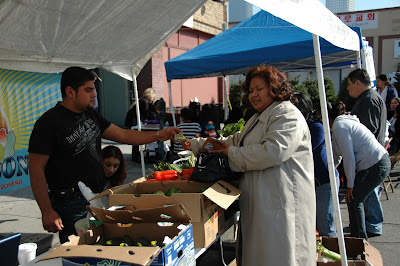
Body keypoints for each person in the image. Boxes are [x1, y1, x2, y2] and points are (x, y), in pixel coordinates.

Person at [28, 67, 180, 243]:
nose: (94, 94)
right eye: (88, 90)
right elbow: (35, 168)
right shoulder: (48, 123)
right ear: (70, 91)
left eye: (94, 89)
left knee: (102, 250)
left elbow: (123, 135)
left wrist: (159, 135)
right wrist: (46, 210)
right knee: (81, 256)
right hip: (70, 203)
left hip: (97, 196)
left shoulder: (90, 115)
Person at [183, 65, 315, 265]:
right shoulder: (257, 118)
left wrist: (230, 152)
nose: (253, 95)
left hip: (281, 204)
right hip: (261, 204)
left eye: (259, 89)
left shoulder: (287, 114)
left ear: (275, 88)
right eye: (251, 90)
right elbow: (232, 142)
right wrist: (197, 144)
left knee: (282, 256)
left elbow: (273, 151)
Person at [328, 101, 391, 240]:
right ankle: (357, 236)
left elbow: (349, 157)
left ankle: (359, 239)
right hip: (376, 162)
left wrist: (350, 185)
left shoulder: (340, 126)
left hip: (376, 163)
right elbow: (337, 156)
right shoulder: (342, 124)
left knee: (354, 199)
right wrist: (330, 171)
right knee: (354, 200)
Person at [291, 91, 338, 237]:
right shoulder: (292, 128)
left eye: (294, 105)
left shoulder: (316, 127)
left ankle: (335, 258)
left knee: (325, 225)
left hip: (325, 182)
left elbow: (303, 152)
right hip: (310, 182)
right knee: (311, 224)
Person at [347, 68, 387, 237]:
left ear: (357, 83)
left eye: (349, 85)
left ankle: (372, 224)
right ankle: (371, 223)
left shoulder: (368, 99)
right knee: (369, 193)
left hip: (370, 158)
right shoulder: (371, 97)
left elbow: (368, 129)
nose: (348, 89)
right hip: (373, 156)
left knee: (366, 194)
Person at [125, 87, 156, 162]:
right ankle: (135, 156)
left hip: (131, 121)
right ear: (151, 97)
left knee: (135, 139)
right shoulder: (144, 103)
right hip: (134, 122)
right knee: (136, 139)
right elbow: (146, 114)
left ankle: (135, 155)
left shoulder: (141, 101)